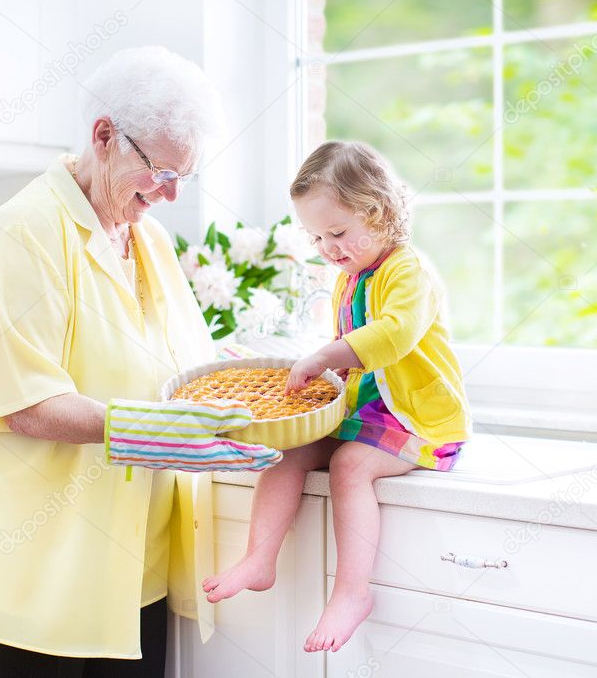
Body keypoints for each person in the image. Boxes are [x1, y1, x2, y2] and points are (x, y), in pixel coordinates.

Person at [0, 46, 225, 677]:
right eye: (162, 170)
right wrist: (161, 431)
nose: (169, 194)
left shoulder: (148, 238)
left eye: (185, 175)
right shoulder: (24, 230)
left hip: (128, 572)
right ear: (104, 137)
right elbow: (25, 401)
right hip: (25, 572)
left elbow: (180, 358)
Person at [201, 140, 472, 653]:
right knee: (287, 449)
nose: (328, 247)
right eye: (317, 236)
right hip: (367, 413)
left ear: (381, 212)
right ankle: (260, 558)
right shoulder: (348, 278)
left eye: (338, 232)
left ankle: (351, 593)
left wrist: (324, 357)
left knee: (350, 465)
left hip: (420, 421)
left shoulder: (407, 271)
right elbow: (348, 355)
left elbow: (394, 335)